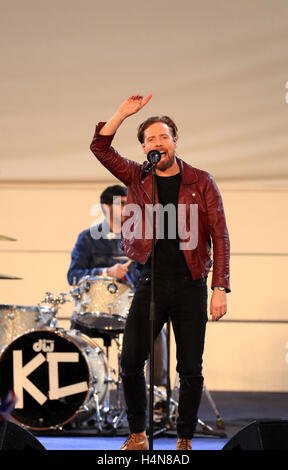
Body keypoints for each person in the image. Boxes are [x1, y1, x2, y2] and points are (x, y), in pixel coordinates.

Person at [89, 95, 230, 451]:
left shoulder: (201, 181)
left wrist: (220, 287)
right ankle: (138, 435)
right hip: (150, 282)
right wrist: (122, 112)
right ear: (144, 148)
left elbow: (220, 235)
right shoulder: (137, 176)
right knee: (131, 361)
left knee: (189, 368)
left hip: (191, 285)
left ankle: (184, 439)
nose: (157, 143)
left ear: (175, 141)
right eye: (150, 139)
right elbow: (100, 147)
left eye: (162, 137)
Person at [67, 184, 168, 384]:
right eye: (122, 204)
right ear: (106, 207)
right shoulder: (87, 238)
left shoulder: (140, 238)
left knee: (158, 329)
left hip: (130, 310)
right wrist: (106, 272)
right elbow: (73, 276)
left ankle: (158, 396)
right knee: (72, 338)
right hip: (92, 313)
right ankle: (77, 395)